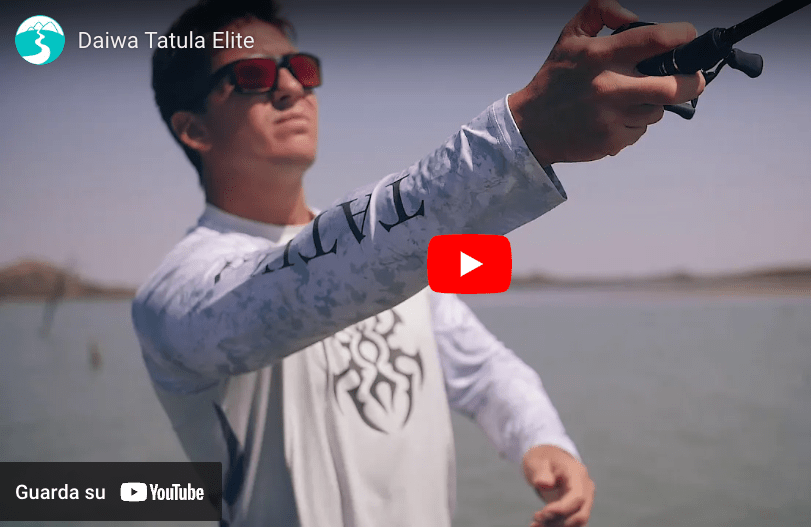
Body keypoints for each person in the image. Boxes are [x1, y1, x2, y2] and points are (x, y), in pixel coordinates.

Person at [132, 0, 704, 525]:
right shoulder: (174, 296)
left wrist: (541, 437)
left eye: (301, 69)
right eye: (253, 76)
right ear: (193, 129)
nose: (290, 87)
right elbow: (297, 283)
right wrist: (520, 134)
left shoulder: (400, 261)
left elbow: (482, 369)